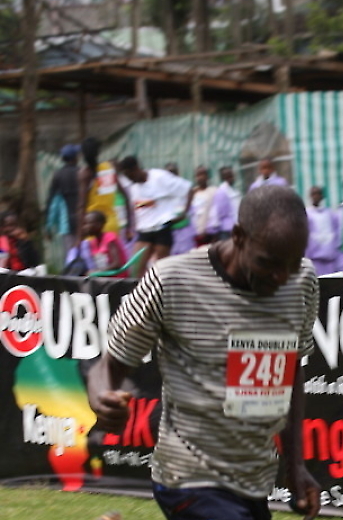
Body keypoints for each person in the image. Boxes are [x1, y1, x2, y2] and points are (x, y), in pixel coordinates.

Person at [86, 185, 321, 520]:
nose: (282, 277)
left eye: (292, 264)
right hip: (188, 475)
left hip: (254, 478)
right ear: (238, 236)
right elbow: (109, 365)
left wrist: (296, 466)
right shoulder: (171, 280)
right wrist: (101, 395)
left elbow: (290, 370)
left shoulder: (304, 281)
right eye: (268, 263)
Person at [119, 155, 192, 277]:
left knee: (162, 271)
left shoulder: (159, 177)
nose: (129, 179)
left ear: (136, 168)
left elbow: (188, 189)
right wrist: (130, 227)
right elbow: (139, 208)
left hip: (162, 229)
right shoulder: (133, 187)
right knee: (135, 270)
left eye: (129, 175)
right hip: (144, 231)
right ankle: (139, 289)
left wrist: (184, 212)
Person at [77, 137, 132, 244]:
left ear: (82, 154)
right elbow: (125, 196)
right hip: (111, 224)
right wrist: (129, 226)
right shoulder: (108, 169)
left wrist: (79, 237)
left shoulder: (84, 174)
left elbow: (81, 206)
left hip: (93, 227)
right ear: (98, 152)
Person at [45, 143, 80, 254]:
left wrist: (48, 226)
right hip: (84, 218)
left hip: (66, 222)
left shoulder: (58, 175)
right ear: (75, 158)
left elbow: (51, 201)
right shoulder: (82, 172)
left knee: (71, 255)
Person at [82, 211, 129, 278]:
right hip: (105, 279)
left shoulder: (109, 238)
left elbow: (117, 264)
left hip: (118, 279)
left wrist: (97, 272)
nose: (85, 227)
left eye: (88, 223)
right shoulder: (92, 242)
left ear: (99, 224)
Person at [305, 186, 338, 276]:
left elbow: (336, 233)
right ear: (310, 196)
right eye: (314, 194)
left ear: (322, 196)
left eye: (318, 194)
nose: (316, 196)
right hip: (313, 258)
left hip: (329, 258)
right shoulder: (306, 214)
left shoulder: (330, 214)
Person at [165, 162, 196, 255]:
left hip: (184, 228)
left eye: (173, 172)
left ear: (178, 173)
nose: (171, 176)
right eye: (169, 173)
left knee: (186, 255)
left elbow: (189, 209)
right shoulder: (162, 189)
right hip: (169, 230)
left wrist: (184, 214)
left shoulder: (184, 186)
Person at [206, 166, 242, 241]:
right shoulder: (221, 192)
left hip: (236, 227)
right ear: (223, 178)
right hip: (226, 230)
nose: (231, 179)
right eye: (228, 177)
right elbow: (217, 213)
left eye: (232, 176)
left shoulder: (234, 191)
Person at [191, 165, 218, 246]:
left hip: (210, 234)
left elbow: (216, 214)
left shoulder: (214, 191)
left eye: (203, 174)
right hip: (195, 235)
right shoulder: (192, 194)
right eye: (198, 175)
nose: (200, 177)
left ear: (208, 176)